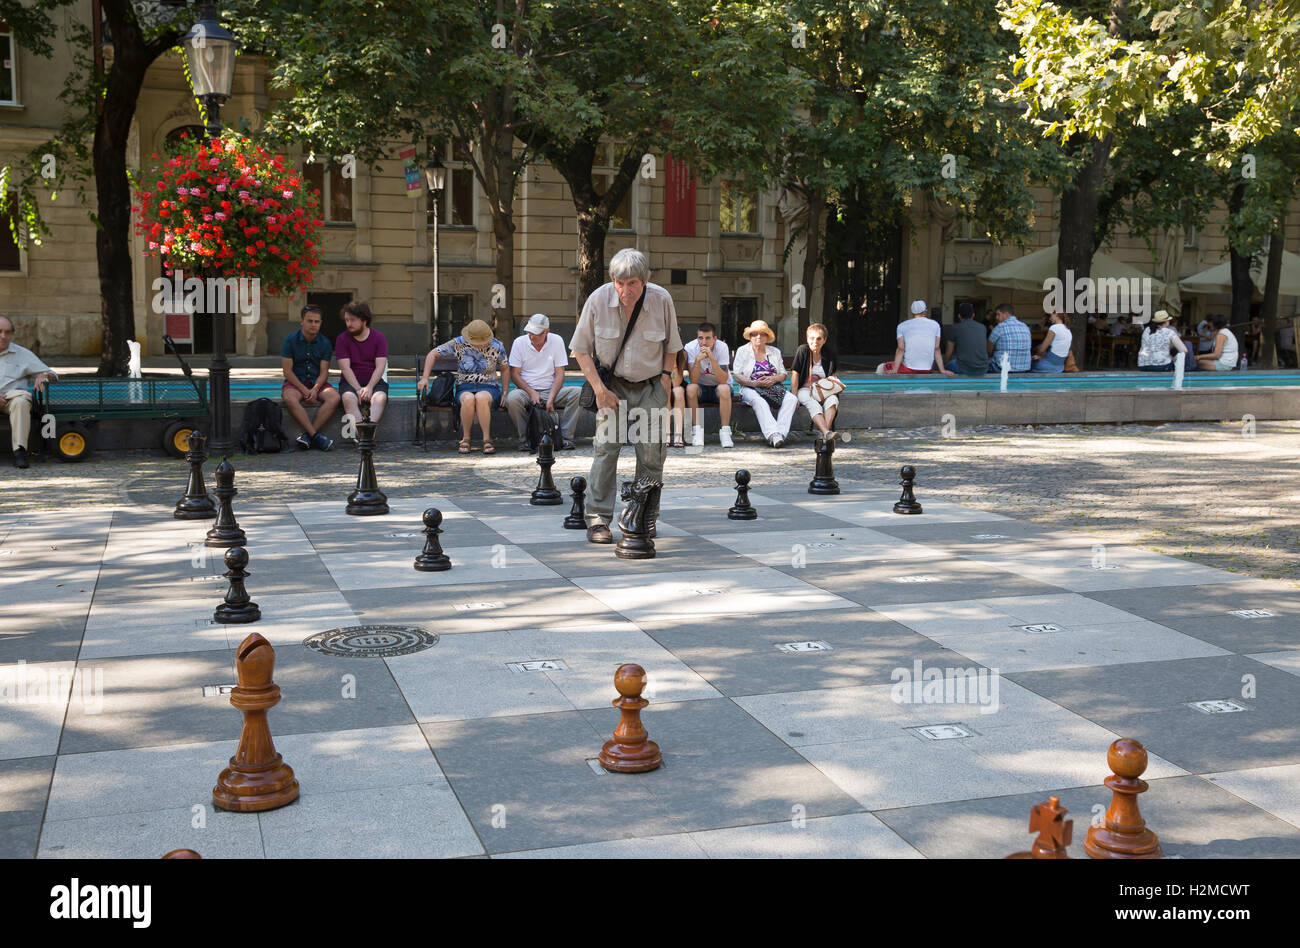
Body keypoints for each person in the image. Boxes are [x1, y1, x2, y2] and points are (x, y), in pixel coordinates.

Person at [570, 248, 682, 543]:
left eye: (632, 283)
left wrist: (667, 380)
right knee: (606, 450)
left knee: (652, 455)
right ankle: (597, 519)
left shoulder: (661, 300)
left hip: (650, 385)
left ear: (644, 281)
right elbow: (580, 350)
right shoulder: (597, 300)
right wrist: (599, 389)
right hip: (612, 387)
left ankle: (644, 517)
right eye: (620, 283)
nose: (625, 290)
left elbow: (672, 347)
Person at [426, 318, 509, 453]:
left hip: (489, 387)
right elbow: (432, 354)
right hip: (464, 386)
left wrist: (505, 392)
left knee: (481, 397)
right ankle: (466, 439)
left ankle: (487, 440)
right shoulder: (458, 343)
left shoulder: (497, 345)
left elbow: (505, 368)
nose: (479, 345)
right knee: (468, 399)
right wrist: (424, 378)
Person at [504, 313, 579, 451]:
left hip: (550, 390)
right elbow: (515, 374)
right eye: (529, 332)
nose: (532, 336)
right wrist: (531, 392)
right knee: (513, 399)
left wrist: (551, 397)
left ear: (547, 332)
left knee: (578, 393)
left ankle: (565, 438)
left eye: (536, 333)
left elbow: (560, 373)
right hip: (526, 391)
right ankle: (524, 440)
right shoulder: (519, 343)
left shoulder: (557, 341)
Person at [0, 315, 57, 469]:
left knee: (21, 402)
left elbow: (52, 374)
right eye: (0, 331)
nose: (3, 336)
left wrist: (43, 375)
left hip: (11, 399)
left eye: (7, 332)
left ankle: (19, 452)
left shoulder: (22, 353)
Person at [280, 304, 338, 450]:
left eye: (316, 322)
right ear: (302, 321)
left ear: (320, 323)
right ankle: (316, 437)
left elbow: (324, 371)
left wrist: (315, 389)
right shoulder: (290, 340)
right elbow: (287, 371)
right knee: (289, 398)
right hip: (296, 382)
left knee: (335, 397)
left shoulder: (325, 343)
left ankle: (308, 436)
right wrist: (304, 389)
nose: (313, 324)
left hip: (316, 382)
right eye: (309, 321)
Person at [733, 319, 797, 447]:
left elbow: (783, 374)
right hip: (749, 387)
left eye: (762, 334)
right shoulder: (742, 351)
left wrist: (774, 379)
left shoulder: (775, 352)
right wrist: (754, 383)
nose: (758, 337)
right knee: (759, 401)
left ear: (767, 337)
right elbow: (737, 375)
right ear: (750, 337)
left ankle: (780, 434)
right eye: (754, 334)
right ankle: (773, 435)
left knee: (792, 399)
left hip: (773, 387)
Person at [335, 300, 390, 425]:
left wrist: (370, 387)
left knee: (380, 398)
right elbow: (345, 368)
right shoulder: (342, 339)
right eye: (347, 320)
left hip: (375, 382)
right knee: (348, 398)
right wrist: (358, 389)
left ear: (364, 320)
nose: (349, 324)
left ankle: (368, 434)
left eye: (353, 320)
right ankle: (362, 438)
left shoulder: (379, 338)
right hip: (350, 383)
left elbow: (380, 366)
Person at [685, 322, 734, 448]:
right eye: (700, 338)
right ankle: (697, 431)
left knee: (724, 388)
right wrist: (697, 360)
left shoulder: (722, 347)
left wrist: (712, 359)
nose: (703, 342)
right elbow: (693, 380)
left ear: (714, 339)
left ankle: (725, 432)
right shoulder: (690, 347)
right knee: (690, 388)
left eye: (707, 338)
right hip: (701, 387)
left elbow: (723, 379)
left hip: (720, 388)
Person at [790, 322, 840, 440]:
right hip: (805, 388)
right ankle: (827, 433)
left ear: (824, 340)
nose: (815, 342)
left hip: (823, 390)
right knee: (813, 404)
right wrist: (794, 395)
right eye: (812, 338)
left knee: (833, 400)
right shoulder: (803, 350)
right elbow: (795, 373)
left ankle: (825, 434)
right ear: (807, 339)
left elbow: (832, 374)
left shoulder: (829, 353)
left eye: (819, 338)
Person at [882, 300, 953, 375]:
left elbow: (901, 349)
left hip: (909, 369)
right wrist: (943, 370)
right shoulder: (935, 325)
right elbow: (937, 348)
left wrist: (895, 370)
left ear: (912, 312)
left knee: (886, 366)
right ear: (925, 311)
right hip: (928, 369)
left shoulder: (902, 326)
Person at [943, 302, 988, 375]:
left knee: (947, 367)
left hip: (964, 369)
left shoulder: (955, 328)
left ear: (959, 316)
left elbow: (949, 351)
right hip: (983, 369)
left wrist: (944, 366)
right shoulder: (983, 327)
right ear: (973, 315)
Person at [987, 303, 1032, 372]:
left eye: (998, 314)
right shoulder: (1025, 326)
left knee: (984, 362)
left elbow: (988, 351)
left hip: (1002, 369)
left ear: (1006, 314)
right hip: (1024, 369)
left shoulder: (1000, 327)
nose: (996, 317)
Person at [665, 349, 689, 448]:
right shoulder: (657, 351)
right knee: (665, 391)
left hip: (677, 385)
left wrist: (673, 359)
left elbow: (676, 383)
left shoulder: (682, 354)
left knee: (678, 391)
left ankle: (678, 434)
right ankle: (667, 433)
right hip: (662, 385)